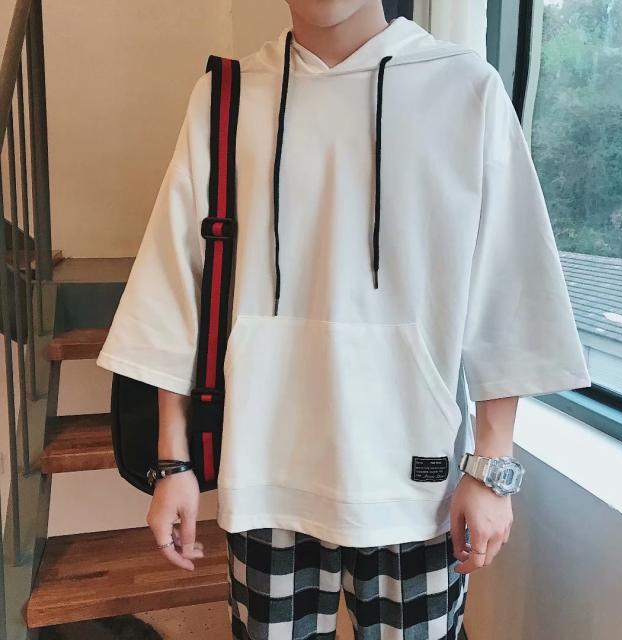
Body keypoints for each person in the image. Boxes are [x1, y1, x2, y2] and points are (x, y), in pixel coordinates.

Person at [96, 1, 592, 638]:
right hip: (266, 466)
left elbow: (509, 283)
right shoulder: (226, 97)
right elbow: (175, 284)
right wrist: (173, 462)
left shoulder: (464, 87)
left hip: (416, 477)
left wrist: (492, 467)